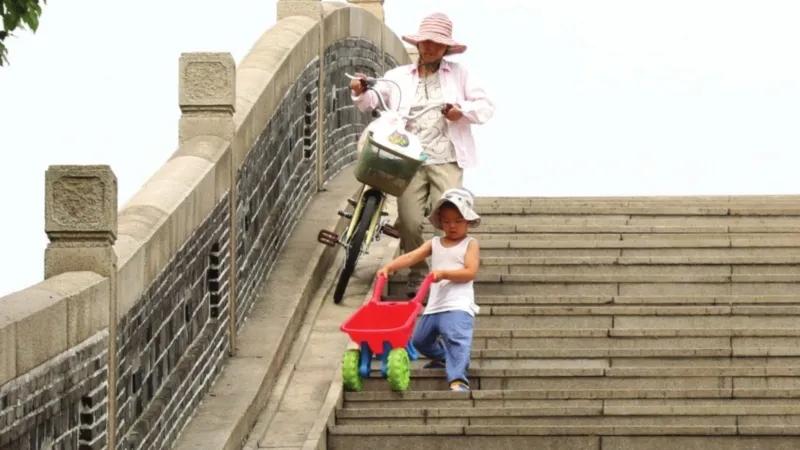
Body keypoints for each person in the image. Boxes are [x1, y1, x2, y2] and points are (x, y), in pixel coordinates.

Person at [352, 12, 494, 296]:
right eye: (426, 43)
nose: (430, 48)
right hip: (409, 160)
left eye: (437, 45)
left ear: (446, 49)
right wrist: (360, 89)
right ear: (418, 44)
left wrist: (459, 112)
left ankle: (452, 273)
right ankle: (418, 273)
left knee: (450, 216)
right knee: (410, 221)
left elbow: (486, 107)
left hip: (447, 157)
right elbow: (373, 100)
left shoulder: (460, 74)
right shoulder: (398, 76)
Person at [377, 188, 481, 392]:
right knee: (419, 340)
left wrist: (444, 274)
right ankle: (444, 358)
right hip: (434, 306)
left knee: (456, 340)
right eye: (447, 221)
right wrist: (391, 266)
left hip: (458, 305)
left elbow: (470, 272)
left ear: (467, 221)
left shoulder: (470, 244)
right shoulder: (435, 243)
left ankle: (458, 379)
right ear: (440, 222)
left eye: (458, 221)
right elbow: (411, 257)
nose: (452, 226)